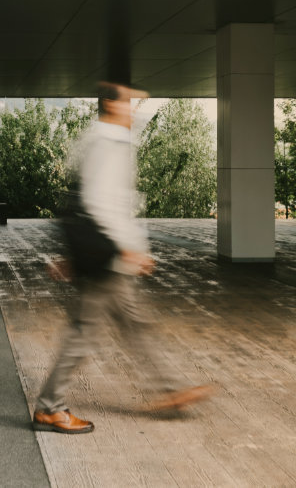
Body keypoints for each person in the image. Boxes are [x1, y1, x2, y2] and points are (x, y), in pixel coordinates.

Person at [32, 82, 214, 434]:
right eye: (128, 102)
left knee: (134, 323)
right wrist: (126, 248)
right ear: (111, 105)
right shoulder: (107, 143)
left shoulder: (107, 139)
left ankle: (170, 390)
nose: (134, 109)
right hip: (107, 256)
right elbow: (99, 203)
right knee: (85, 333)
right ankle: (48, 408)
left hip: (107, 255)